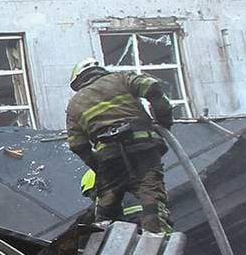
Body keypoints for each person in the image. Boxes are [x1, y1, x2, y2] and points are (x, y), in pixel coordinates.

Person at [65, 59, 175, 233]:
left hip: (110, 158)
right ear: (100, 70)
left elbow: (77, 145)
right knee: (151, 196)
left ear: (78, 81)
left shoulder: (74, 105)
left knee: (106, 204)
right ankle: (158, 242)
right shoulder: (121, 79)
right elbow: (152, 87)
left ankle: (101, 242)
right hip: (143, 149)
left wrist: (99, 167)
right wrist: (164, 121)